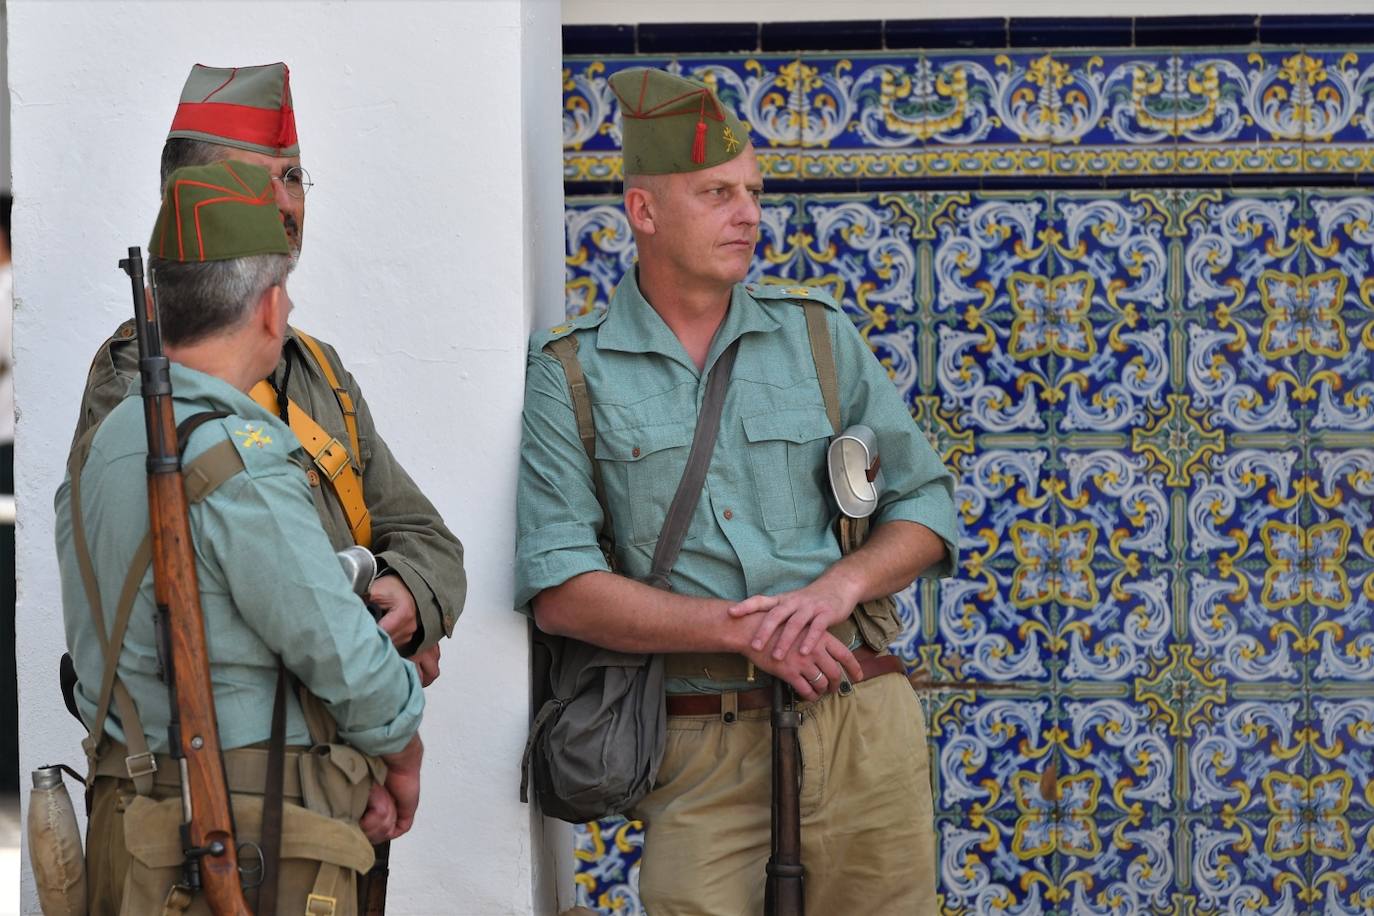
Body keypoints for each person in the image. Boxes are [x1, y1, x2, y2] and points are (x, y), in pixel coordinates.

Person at [516, 68, 958, 915]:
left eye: (752, 191)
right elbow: (562, 589)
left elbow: (927, 507)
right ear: (643, 211)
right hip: (697, 739)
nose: (748, 214)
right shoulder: (571, 372)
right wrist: (738, 629)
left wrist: (838, 588)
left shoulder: (818, 336)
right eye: (716, 192)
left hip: (860, 718)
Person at [56, 161, 424, 914]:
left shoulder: (103, 448)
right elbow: (342, 653)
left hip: (130, 827)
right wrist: (402, 749)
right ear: (268, 305)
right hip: (252, 825)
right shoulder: (242, 458)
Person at [68, 63, 464, 687]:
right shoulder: (137, 374)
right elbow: (174, 582)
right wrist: (359, 647)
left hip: (336, 759)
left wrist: (410, 597)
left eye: (292, 178)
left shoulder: (319, 369)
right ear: (191, 201)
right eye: (255, 184)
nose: (283, 205)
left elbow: (423, 534)